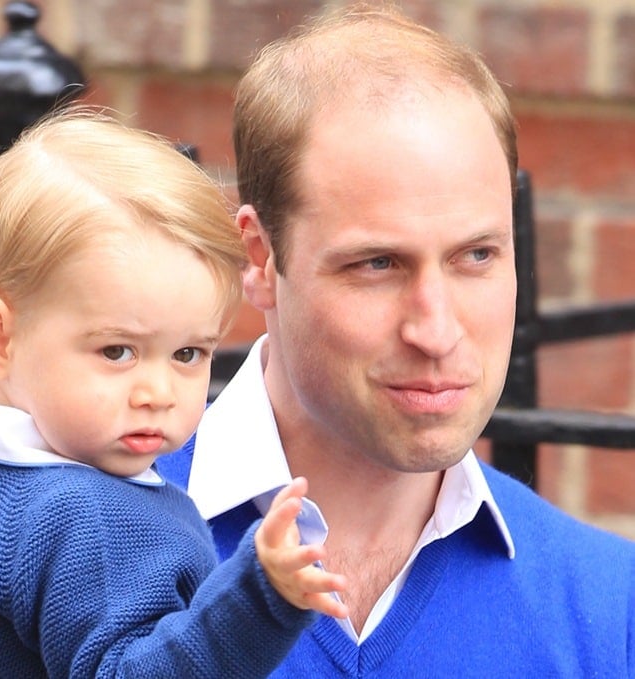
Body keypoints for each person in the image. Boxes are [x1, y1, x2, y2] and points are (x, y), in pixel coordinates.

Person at [157, 3, 635, 676]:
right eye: (377, 264)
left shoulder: (609, 607)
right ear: (261, 258)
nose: (435, 331)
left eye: (476, 256)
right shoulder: (70, 537)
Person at [0, 110, 348, 678]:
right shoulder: (100, 521)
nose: (157, 393)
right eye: (117, 352)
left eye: (188, 354)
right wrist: (259, 599)